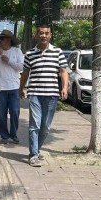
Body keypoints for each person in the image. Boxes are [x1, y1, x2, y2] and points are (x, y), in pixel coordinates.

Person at [20, 25, 68, 167]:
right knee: (34, 125)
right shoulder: (30, 54)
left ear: (50, 35)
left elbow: (63, 71)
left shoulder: (58, 52)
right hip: (35, 94)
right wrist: (21, 88)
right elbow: (25, 73)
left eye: (47, 33)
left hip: (52, 95)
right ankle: (33, 155)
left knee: (45, 127)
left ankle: (37, 149)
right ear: (37, 35)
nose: (44, 36)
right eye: (41, 33)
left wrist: (65, 87)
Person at [0, 29, 24, 144]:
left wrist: (9, 61)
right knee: (2, 114)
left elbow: (21, 67)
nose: (0, 41)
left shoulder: (17, 51)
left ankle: (13, 134)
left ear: (9, 40)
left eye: (2, 38)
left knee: (15, 112)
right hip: (0, 88)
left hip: (14, 87)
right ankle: (4, 136)